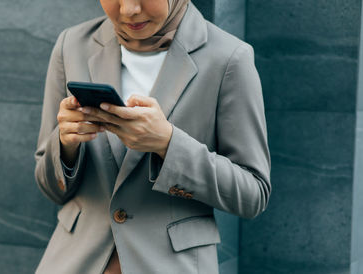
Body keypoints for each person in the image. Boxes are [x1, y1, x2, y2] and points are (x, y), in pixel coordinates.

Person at [34, 0, 271, 273]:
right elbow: (49, 186)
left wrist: (168, 145)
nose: (129, 10)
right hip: (73, 262)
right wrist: (66, 146)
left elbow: (253, 194)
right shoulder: (72, 44)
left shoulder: (229, 57)